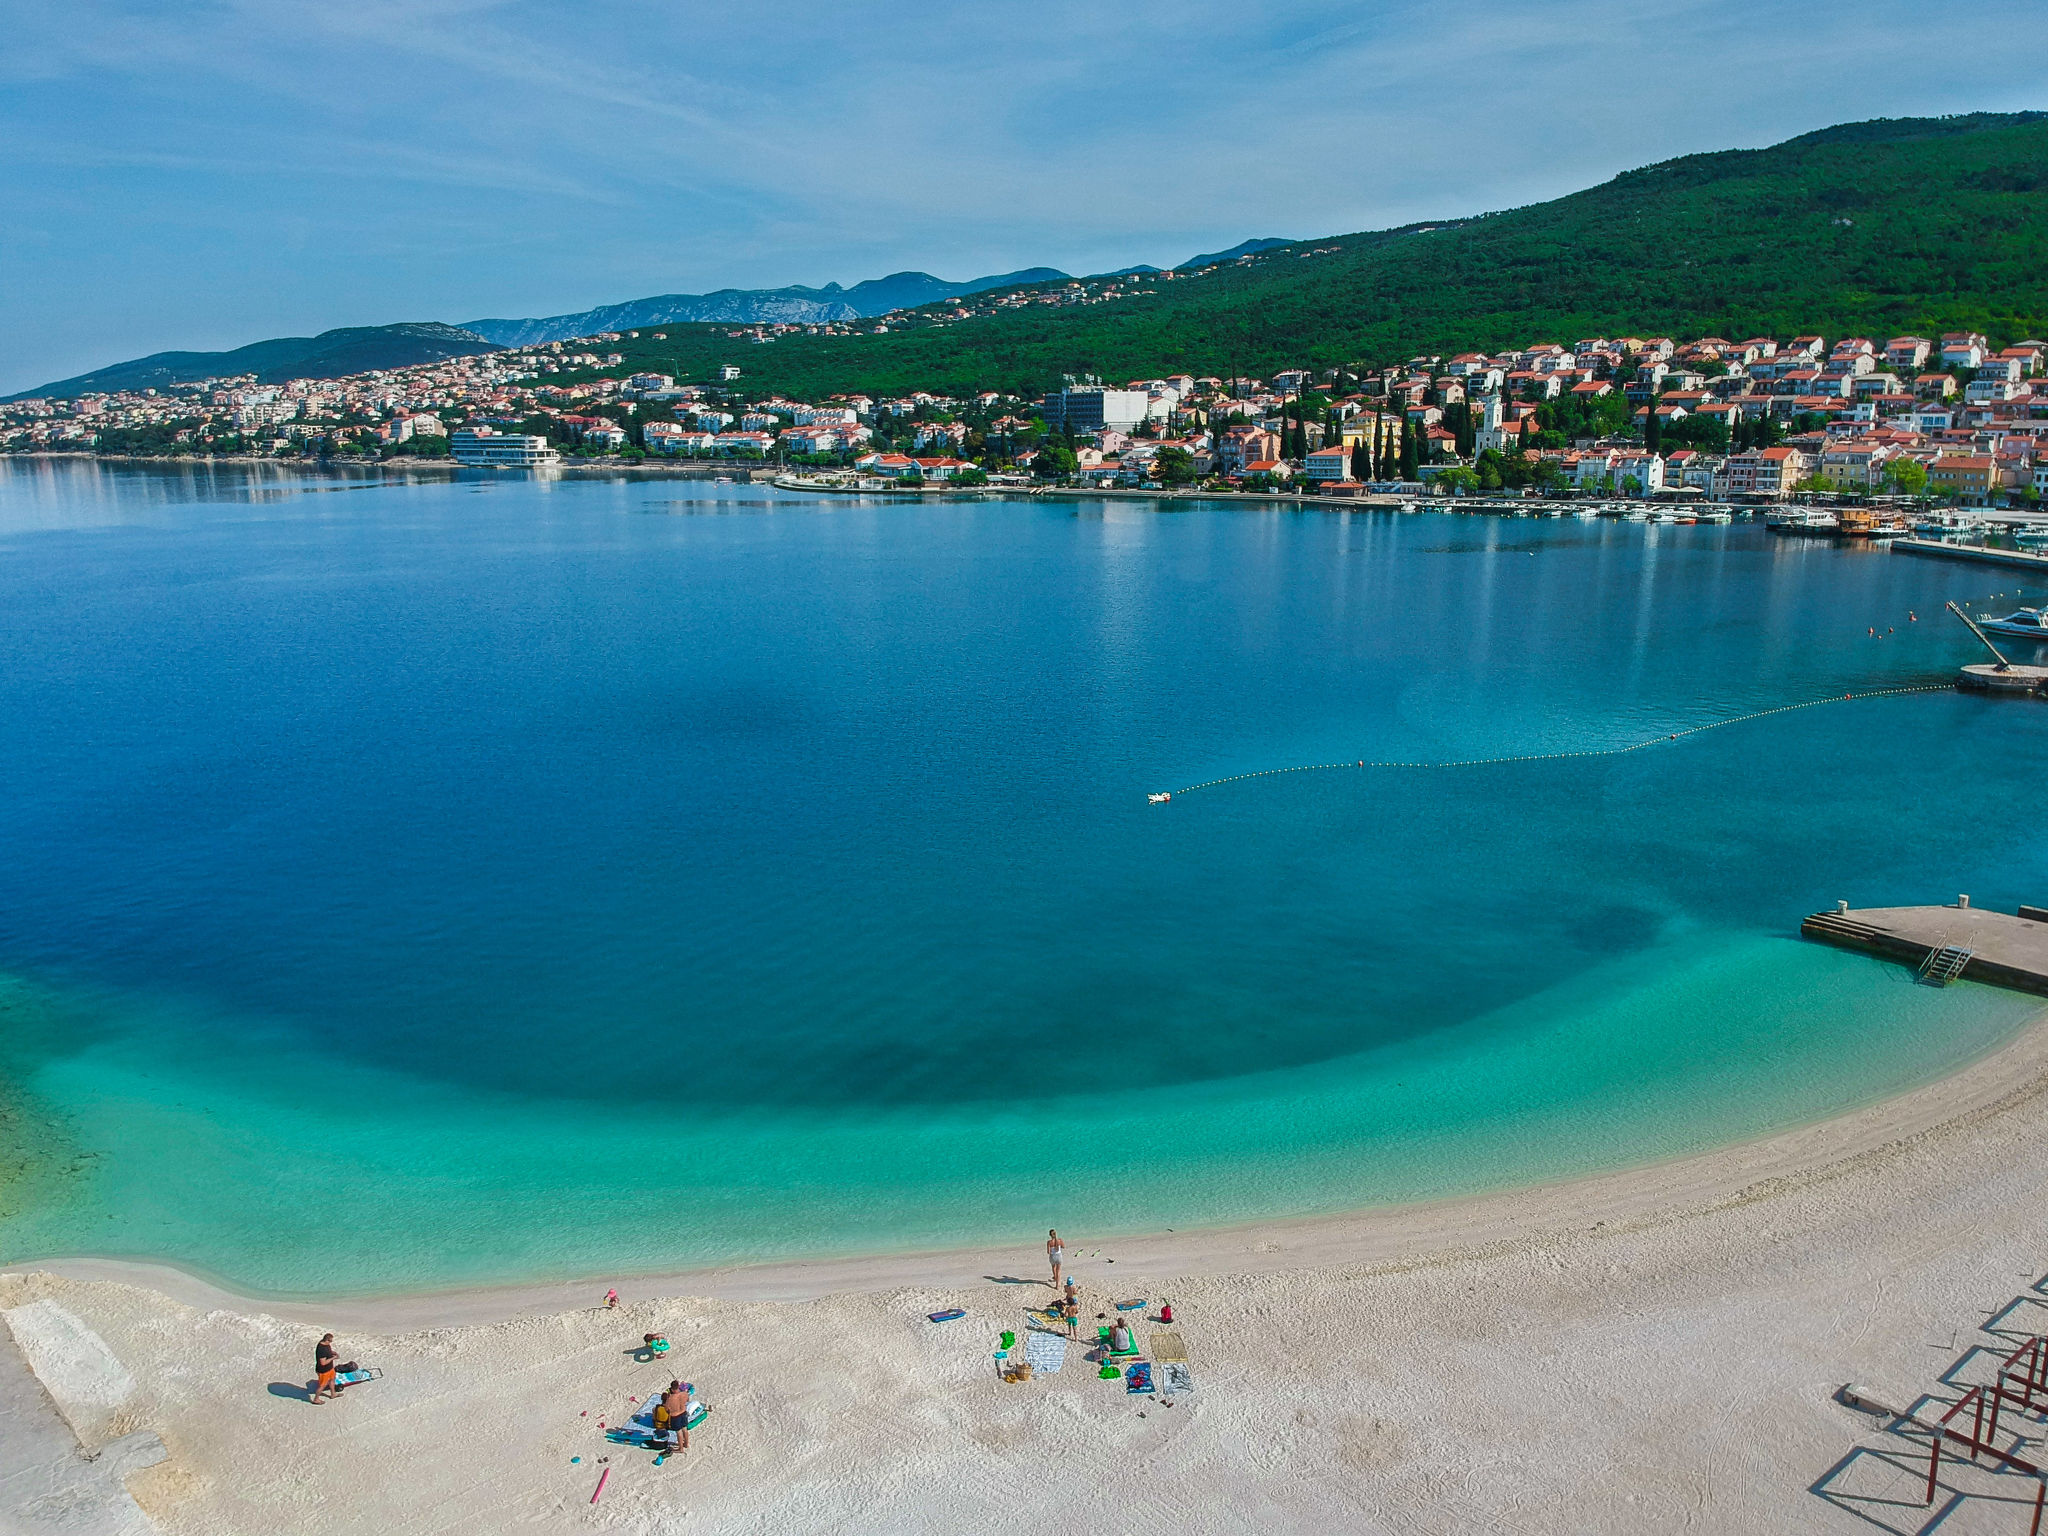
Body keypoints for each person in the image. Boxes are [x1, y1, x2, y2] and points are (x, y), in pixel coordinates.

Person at [660, 1380, 692, 1451]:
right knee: (685, 1429)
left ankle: (680, 1448)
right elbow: (687, 1400)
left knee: (679, 1432)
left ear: (672, 1389)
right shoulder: (684, 1394)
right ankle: (686, 1444)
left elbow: (666, 1408)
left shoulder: (670, 1398)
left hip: (675, 1416)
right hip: (683, 1413)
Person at [312, 1333, 339, 1404]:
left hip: (330, 1368)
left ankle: (333, 1394)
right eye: (330, 1341)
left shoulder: (326, 1344)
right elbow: (323, 1363)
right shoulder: (322, 1349)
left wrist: (332, 1352)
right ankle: (316, 1399)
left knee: (332, 1379)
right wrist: (333, 1358)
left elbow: (328, 1351)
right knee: (322, 1385)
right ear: (326, 1340)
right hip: (323, 1370)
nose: (331, 1342)